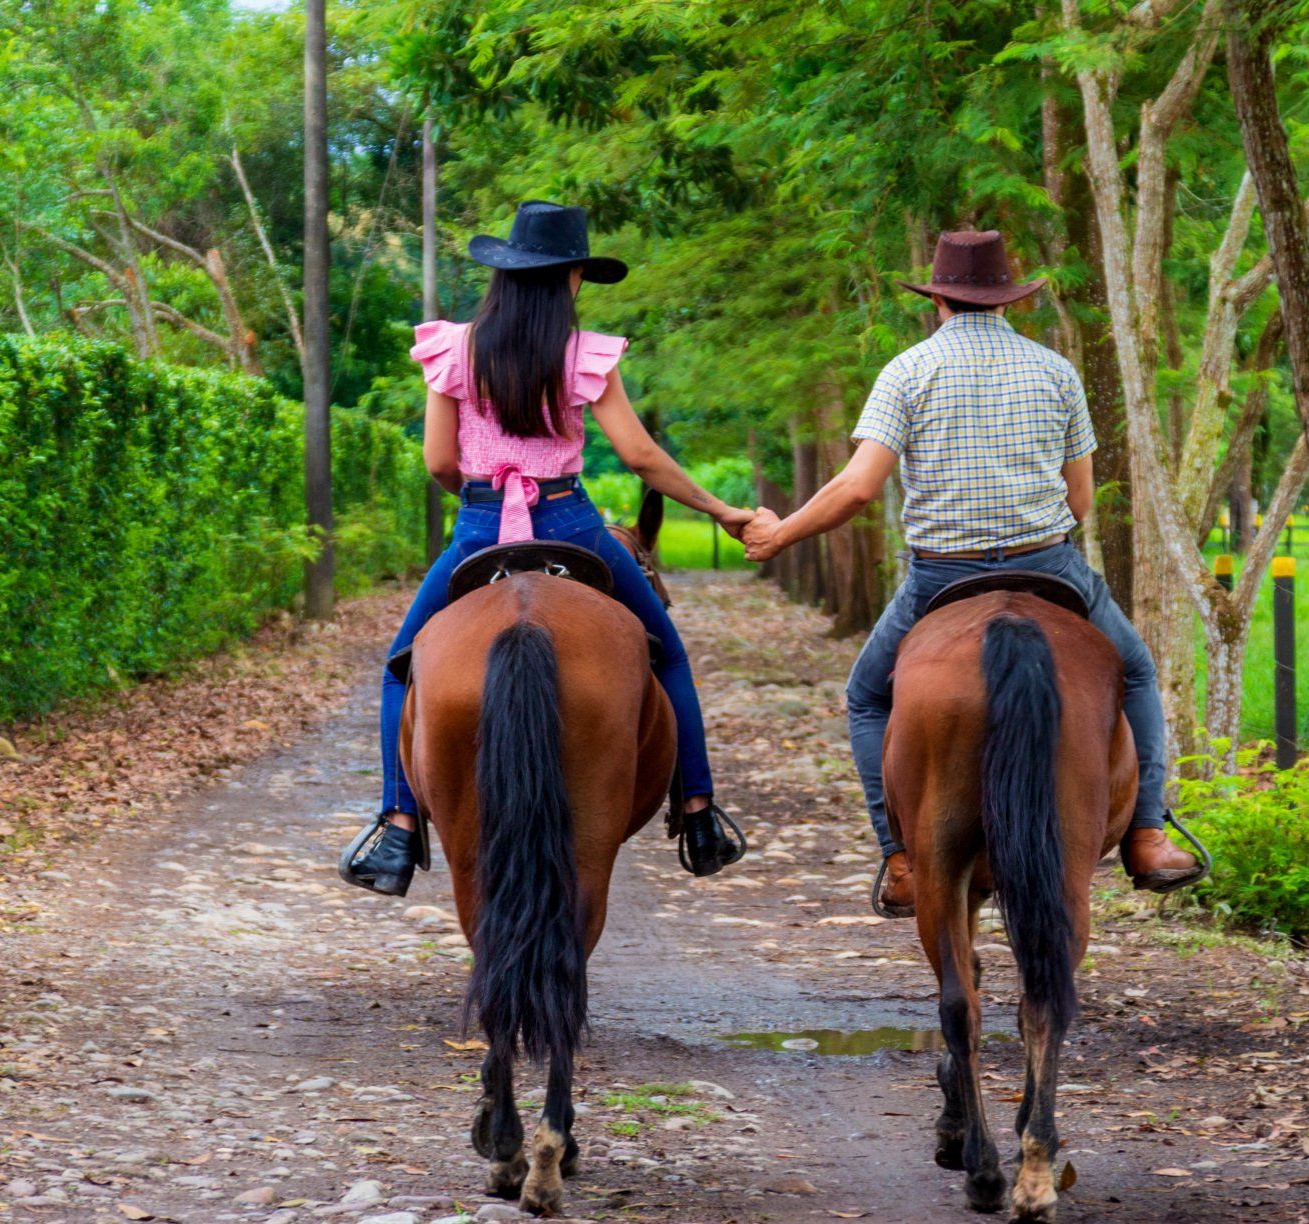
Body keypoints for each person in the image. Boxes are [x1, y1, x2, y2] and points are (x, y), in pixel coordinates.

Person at [742, 230, 1201, 919]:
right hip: (1048, 565)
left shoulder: (907, 371)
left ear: (938, 300)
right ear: (1007, 299)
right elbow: (1079, 500)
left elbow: (859, 488)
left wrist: (781, 533)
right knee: (1134, 671)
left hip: (940, 577)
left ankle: (901, 858)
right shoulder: (1055, 371)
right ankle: (1146, 835)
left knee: (867, 695)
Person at [343, 200, 747, 897]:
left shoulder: (453, 350)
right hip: (572, 523)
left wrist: (482, 500)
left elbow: (439, 461)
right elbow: (640, 456)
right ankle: (698, 812)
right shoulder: (586, 354)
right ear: (571, 278)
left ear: (504, 272)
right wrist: (720, 509)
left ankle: (399, 826)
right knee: (668, 654)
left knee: (400, 667)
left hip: (479, 527)